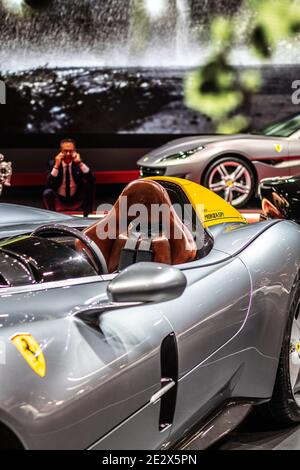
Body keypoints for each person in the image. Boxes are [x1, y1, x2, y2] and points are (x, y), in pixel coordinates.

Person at [43, 138, 95, 217]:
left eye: (70, 151)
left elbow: (91, 179)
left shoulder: (80, 162)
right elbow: (48, 183)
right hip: (59, 199)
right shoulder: (52, 163)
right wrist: (56, 166)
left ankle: (86, 216)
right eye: (65, 151)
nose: (68, 154)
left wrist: (80, 163)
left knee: (89, 186)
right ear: (61, 151)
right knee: (47, 192)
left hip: (76, 198)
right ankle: (52, 217)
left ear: (75, 151)